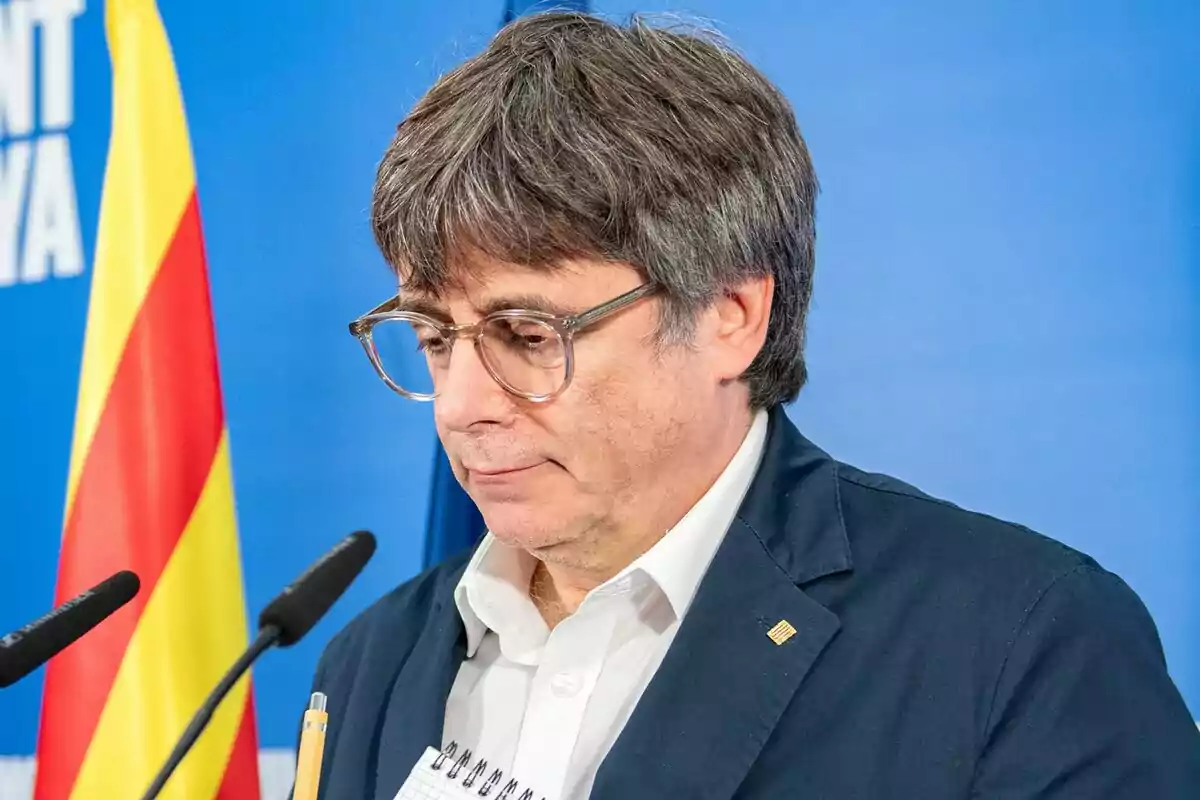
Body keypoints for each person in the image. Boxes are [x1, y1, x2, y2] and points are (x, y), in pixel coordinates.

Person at [310, 11, 1200, 799]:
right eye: (434, 338)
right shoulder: (369, 665)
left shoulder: (1021, 643)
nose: (462, 406)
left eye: (529, 335)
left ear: (730, 316)